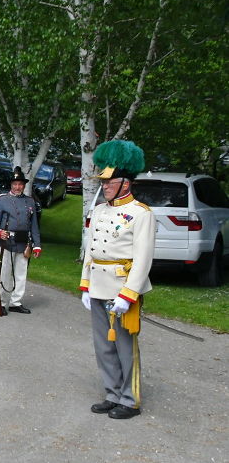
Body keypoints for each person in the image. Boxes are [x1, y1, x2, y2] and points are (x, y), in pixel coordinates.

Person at [79, 140, 154, 420]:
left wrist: (128, 294)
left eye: (111, 181)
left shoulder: (141, 213)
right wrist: (85, 285)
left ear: (126, 183)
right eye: (105, 181)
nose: (105, 185)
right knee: (103, 345)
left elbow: (143, 259)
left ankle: (130, 399)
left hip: (121, 290)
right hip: (98, 286)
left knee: (125, 347)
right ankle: (112, 393)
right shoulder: (99, 210)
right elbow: (90, 252)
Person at [0, 166, 41, 315]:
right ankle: (2, 302)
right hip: (8, 241)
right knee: (5, 273)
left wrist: (37, 245)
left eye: (20, 184)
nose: (18, 187)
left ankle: (15, 302)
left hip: (24, 242)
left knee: (21, 273)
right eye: (15, 184)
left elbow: (34, 225)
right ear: (11, 185)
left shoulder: (30, 201)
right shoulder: (2, 200)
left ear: (24, 185)